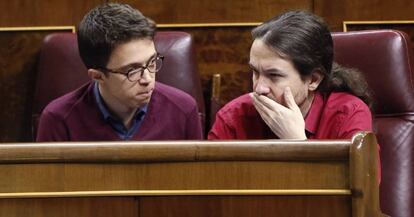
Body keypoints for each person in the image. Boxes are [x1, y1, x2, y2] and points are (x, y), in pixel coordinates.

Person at [36, 3, 202, 141]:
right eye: (132, 70)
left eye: (151, 62)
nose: (147, 79)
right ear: (98, 76)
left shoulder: (183, 110)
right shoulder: (58, 120)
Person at [208, 10, 374, 140]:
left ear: (313, 80)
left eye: (274, 75)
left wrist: (297, 142)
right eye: (255, 72)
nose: (259, 88)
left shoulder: (348, 114)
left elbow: (361, 183)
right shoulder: (233, 117)